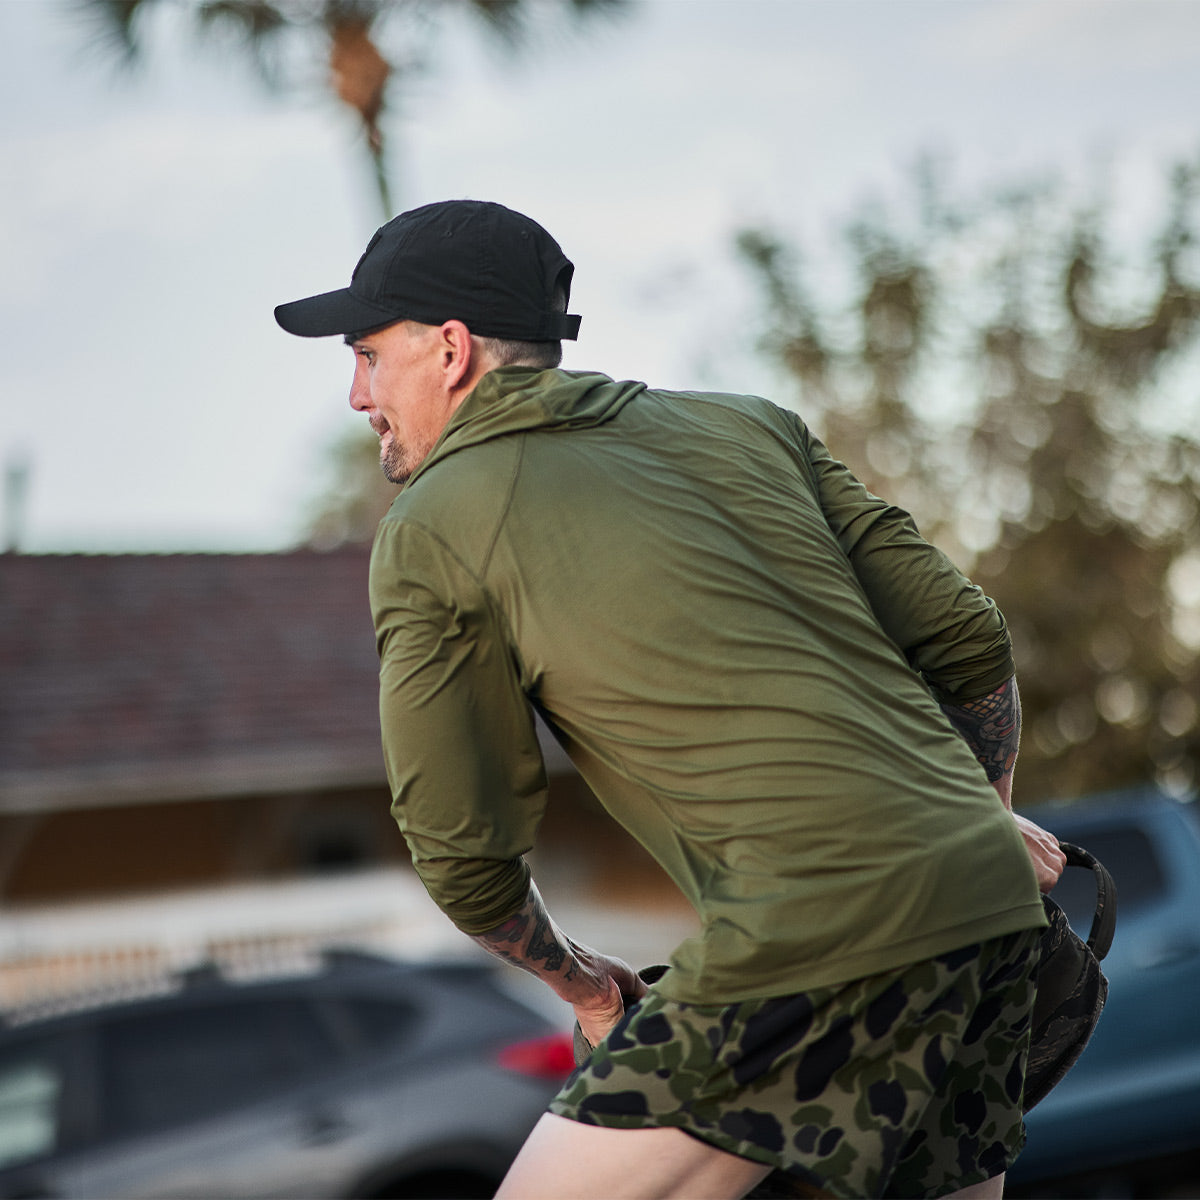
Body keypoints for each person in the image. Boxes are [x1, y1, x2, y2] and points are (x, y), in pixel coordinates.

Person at [275, 199, 1066, 1200]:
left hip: (811, 928)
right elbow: (967, 641)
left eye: (367, 355)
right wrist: (983, 821)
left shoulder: (436, 525)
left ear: (448, 349)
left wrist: (587, 987)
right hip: (991, 916)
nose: (355, 393)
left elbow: (462, 848)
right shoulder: (750, 427)